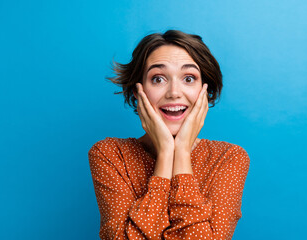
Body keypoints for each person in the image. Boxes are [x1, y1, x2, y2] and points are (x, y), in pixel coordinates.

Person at [88, 30, 250, 240]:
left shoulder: (229, 158)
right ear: (138, 92)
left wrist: (181, 151)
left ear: (204, 90)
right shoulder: (110, 154)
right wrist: (166, 153)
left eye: (189, 78)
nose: (174, 92)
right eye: (158, 79)